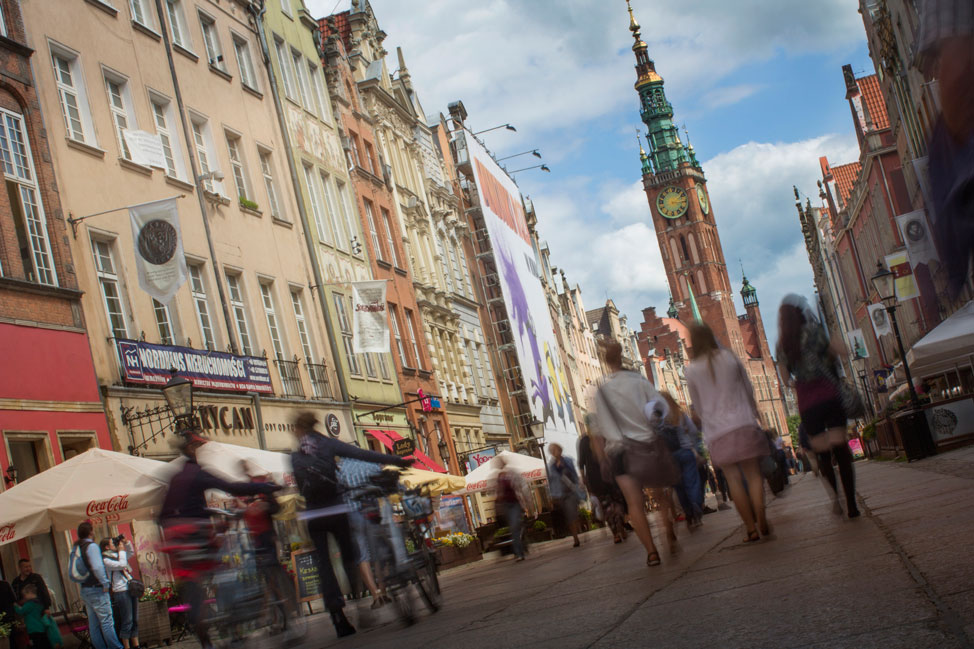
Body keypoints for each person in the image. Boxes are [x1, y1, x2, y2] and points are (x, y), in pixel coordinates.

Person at [289, 411, 410, 638]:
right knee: (350, 558)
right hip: (336, 509)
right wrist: (397, 460)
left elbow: (299, 485)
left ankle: (338, 617)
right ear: (316, 426)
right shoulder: (327, 444)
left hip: (313, 515)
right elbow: (363, 454)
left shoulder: (295, 456)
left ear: (298, 430)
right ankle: (359, 604)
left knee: (324, 565)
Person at [158, 432, 280, 648]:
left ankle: (206, 641)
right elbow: (233, 487)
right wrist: (265, 487)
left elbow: (160, 516)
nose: (201, 452)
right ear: (191, 450)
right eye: (198, 448)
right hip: (195, 534)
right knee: (224, 572)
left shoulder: (175, 477)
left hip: (174, 540)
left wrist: (204, 511)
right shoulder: (197, 473)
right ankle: (234, 621)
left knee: (193, 585)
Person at [594, 339, 679, 567]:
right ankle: (667, 529)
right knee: (660, 496)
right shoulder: (639, 380)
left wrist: (602, 457)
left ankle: (651, 552)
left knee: (634, 503)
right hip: (647, 444)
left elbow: (598, 428)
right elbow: (663, 407)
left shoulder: (601, 390)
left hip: (620, 452)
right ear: (622, 357)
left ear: (605, 361)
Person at [685, 323, 771, 543]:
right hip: (743, 423)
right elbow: (748, 388)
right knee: (753, 475)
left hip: (718, 431)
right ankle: (760, 513)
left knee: (733, 480)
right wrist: (755, 413)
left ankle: (750, 528)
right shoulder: (730, 358)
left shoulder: (692, 370)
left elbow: (697, 406)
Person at [777, 295, 860, 519]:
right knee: (841, 450)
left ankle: (836, 499)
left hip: (808, 404)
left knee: (823, 455)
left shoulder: (783, 344)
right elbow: (842, 350)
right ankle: (852, 504)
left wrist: (798, 382)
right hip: (831, 396)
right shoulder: (815, 331)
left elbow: (785, 379)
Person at [655, 392, 705, 531]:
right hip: (686, 452)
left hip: (670, 457)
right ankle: (695, 504)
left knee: (679, 486)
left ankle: (688, 511)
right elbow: (694, 431)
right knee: (692, 482)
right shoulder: (679, 414)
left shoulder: (658, 419)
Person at [73, 521, 124, 649]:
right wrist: (105, 583)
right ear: (90, 532)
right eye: (93, 530)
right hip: (97, 588)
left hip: (86, 589)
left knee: (94, 625)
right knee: (107, 622)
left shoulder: (78, 548)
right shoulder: (92, 546)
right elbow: (97, 567)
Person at [577, 420, 627, 544]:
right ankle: (619, 527)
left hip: (596, 478)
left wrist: (583, 477)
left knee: (606, 506)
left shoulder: (584, 440)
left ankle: (616, 532)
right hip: (610, 475)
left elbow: (581, 462)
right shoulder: (605, 436)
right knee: (617, 502)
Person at [99, 537, 139, 649]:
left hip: (131, 588)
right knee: (127, 620)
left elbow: (130, 553)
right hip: (120, 590)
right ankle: (126, 646)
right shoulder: (106, 559)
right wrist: (121, 550)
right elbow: (122, 564)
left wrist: (127, 543)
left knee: (135, 619)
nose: (115, 545)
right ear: (107, 547)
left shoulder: (117, 555)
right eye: (113, 543)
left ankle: (136, 644)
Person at [494, 455, 533, 561]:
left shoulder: (512, 473)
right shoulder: (499, 476)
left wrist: (528, 503)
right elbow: (497, 492)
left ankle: (519, 552)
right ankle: (520, 549)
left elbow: (522, 487)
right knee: (514, 527)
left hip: (515, 503)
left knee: (515, 526)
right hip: (506, 505)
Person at [547, 443, 582, 547]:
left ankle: (576, 535)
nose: (554, 452)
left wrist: (579, 485)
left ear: (560, 450)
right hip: (561, 494)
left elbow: (574, 475)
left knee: (572, 514)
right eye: (552, 451)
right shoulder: (551, 466)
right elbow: (551, 481)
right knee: (569, 516)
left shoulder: (568, 461)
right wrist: (552, 495)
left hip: (571, 491)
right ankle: (575, 537)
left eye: (556, 450)